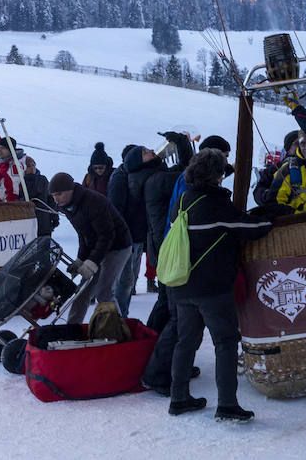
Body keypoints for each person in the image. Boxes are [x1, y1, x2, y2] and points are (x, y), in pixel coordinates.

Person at [168, 149, 273, 422]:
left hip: (182, 285)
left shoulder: (183, 200)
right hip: (212, 288)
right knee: (225, 343)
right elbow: (253, 228)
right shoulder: (214, 203)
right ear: (216, 175)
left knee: (186, 342)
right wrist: (271, 214)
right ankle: (227, 404)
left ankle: (178, 398)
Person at [139, 132, 201, 394]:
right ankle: (157, 369)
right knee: (177, 315)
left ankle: (149, 355)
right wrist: (184, 145)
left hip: (161, 248)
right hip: (169, 250)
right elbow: (188, 172)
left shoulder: (153, 178)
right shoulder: (157, 179)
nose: (152, 151)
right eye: (145, 152)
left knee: (166, 307)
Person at [49, 172, 132, 324]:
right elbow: (84, 235)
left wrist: (92, 262)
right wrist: (81, 259)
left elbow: (107, 236)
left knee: (104, 292)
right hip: (99, 246)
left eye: (59, 194)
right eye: (54, 195)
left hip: (118, 246)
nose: (56, 199)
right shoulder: (67, 206)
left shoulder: (93, 202)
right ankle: (72, 329)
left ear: (70, 189)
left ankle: (118, 330)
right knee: (82, 291)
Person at [110, 142, 163, 317]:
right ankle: (117, 318)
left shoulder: (139, 174)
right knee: (124, 281)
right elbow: (116, 211)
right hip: (127, 237)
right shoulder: (120, 178)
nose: (152, 152)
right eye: (146, 152)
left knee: (129, 279)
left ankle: (120, 315)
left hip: (137, 236)